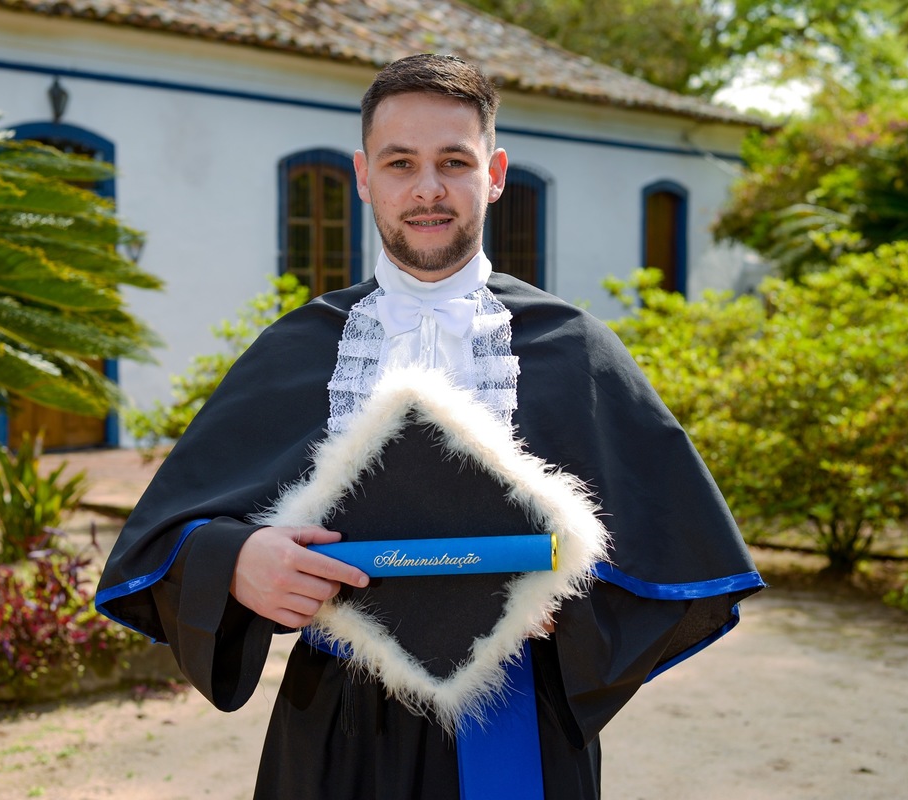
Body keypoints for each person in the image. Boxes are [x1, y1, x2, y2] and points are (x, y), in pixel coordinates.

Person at [96, 53, 763, 800]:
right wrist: (239, 561)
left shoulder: (573, 347)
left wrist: (573, 606)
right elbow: (158, 543)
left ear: (495, 173)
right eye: (400, 163)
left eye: (454, 161)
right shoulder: (299, 347)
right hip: (334, 727)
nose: (427, 189)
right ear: (363, 176)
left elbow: (680, 557)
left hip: (517, 718)